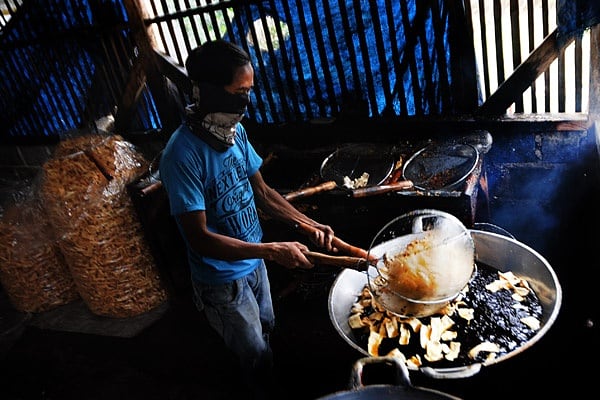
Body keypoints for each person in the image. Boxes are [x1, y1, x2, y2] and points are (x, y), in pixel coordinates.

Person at [159, 39, 337, 398]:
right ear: (207, 92)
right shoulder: (181, 155)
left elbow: (265, 193)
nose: (246, 101)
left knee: (267, 326)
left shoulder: (234, 133)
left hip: (254, 262)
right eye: (239, 92)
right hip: (222, 281)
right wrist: (272, 250)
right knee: (253, 354)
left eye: (249, 91)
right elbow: (200, 238)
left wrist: (309, 225)